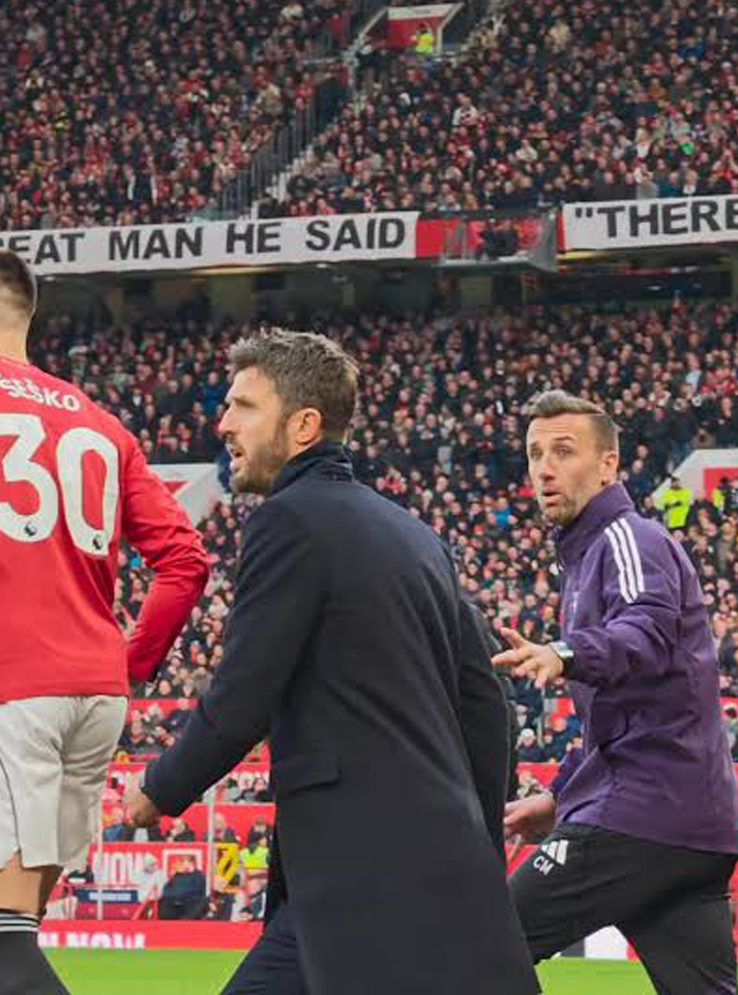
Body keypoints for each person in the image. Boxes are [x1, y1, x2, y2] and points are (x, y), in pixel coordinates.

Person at [126, 328, 538, 994]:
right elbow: (486, 704)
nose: (224, 423)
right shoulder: (416, 535)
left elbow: (243, 694)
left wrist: (159, 788)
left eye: (244, 406)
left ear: (303, 425)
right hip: (424, 858)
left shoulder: (287, 521)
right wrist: (474, 834)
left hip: (361, 865)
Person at [0, 249, 210, 995]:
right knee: (17, 932)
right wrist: (126, 665)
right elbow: (185, 561)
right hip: (94, 701)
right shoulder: (101, 422)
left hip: (5, 692)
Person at [493, 390, 738, 995]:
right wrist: (558, 800)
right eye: (534, 454)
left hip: (643, 814)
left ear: (608, 464)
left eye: (563, 451)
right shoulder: (586, 559)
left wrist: (564, 653)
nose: (544, 468)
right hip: (690, 826)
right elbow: (619, 720)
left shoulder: (626, 538)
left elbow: (646, 630)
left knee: (484, 946)